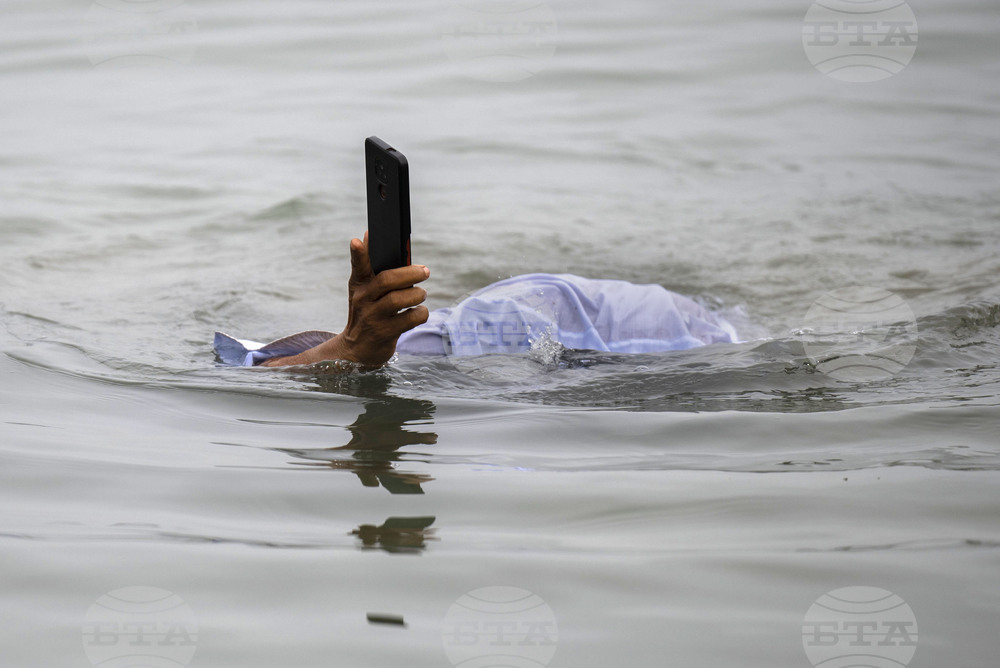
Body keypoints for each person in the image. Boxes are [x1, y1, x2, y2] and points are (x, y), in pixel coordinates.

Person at [213, 233, 738, 368]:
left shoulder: (678, 338)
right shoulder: (430, 343)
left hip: (649, 333)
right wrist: (346, 349)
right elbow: (269, 360)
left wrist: (347, 351)